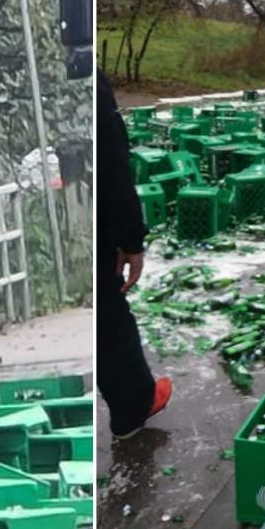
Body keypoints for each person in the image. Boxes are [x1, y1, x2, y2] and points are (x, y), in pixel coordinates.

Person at [96, 71, 172, 440]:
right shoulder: (89, 84)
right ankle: (134, 405)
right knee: (109, 316)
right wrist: (130, 239)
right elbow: (112, 167)